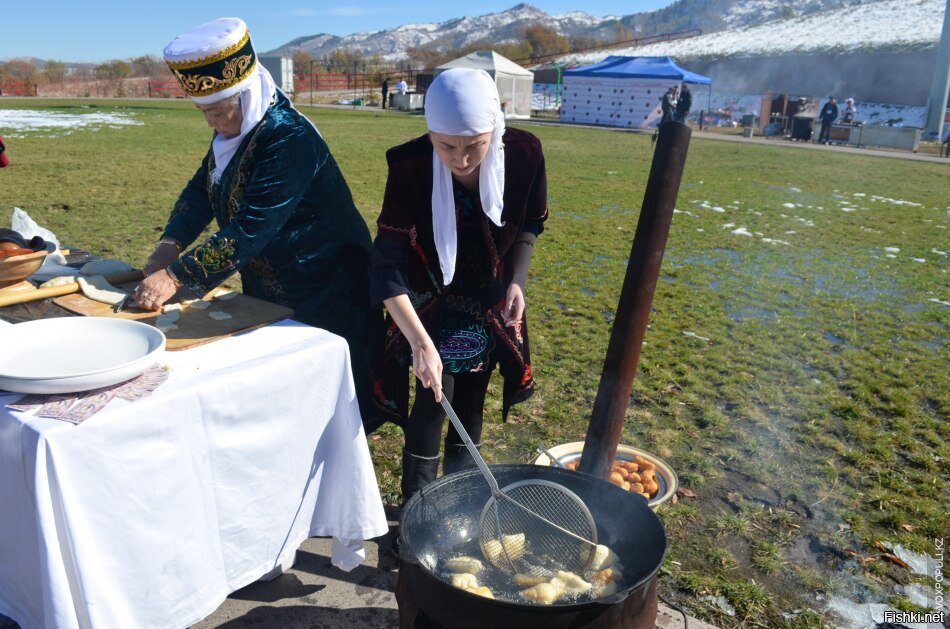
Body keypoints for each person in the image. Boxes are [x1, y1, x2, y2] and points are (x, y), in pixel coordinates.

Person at [137, 17, 378, 417]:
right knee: (284, 390)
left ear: (245, 95)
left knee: (324, 393)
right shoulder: (235, 130)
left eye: (216, 111)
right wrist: (169, 244)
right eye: (203, 112)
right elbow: (202, 189)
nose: (211, 122)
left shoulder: (288, 137)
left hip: (326, 284)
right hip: (273, 280)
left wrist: (178, 275)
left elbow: (252, 225)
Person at [369, 68, 548, 500]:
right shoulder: (410, 166)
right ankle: (417, 509)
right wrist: (418, 341)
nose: (461, 159)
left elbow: (527, 224)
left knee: (471, 398)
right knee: (434, 396)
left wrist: (517, 283)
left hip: (488, 295)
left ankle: (462, 503)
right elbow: (386, 263)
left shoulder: (523, 154)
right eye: (446, 146)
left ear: (494, 128)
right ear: (430, 131)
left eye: (475, 146)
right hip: (428, 297)